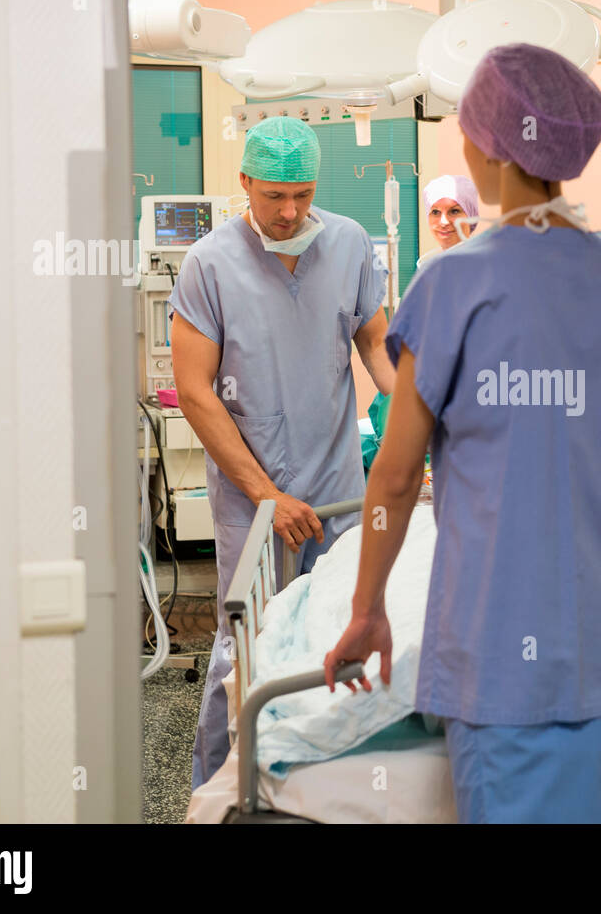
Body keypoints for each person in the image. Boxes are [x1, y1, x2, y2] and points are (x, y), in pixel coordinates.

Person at [322, 43, 601, 823]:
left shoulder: (453, 284)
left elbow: (394, 476)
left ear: (490, 149)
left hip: (506, 671)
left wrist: (368, 606)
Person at [169, 116, 395, 790]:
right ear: (244, 183)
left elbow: (377, 347)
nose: (291, 211)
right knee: (247, 645)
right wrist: (267, 493)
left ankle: (321, 779)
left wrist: (424, 423)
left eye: (302, 193)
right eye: (274, 196)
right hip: (253, 497)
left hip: (335, 481)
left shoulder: (349, 244)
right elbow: (194, 391)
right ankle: (220, 789)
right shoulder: (210, 263)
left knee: (336, 628)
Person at [416, 174, 479, 268]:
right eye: (435, 212)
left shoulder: (487, 267)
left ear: (471, 216)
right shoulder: (428, 266)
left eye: (454, 211)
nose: (444, 222)